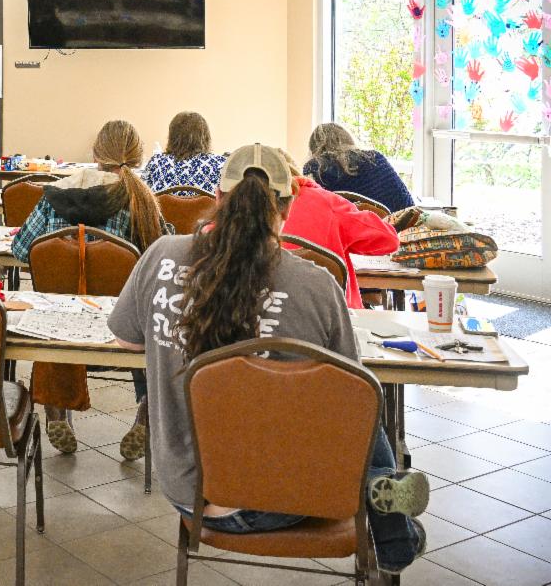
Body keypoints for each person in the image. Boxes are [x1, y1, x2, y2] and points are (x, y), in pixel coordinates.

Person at [107, 143, 427, 575]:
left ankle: (379, 498)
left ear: (217, 197)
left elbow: (127, 341)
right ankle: (387, 519)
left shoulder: (161, 255)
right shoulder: (315, 285)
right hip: (287, 498)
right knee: (364, 400)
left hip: (191, 490)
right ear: (288, 208)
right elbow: (350, 391)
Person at [11, 120, 171, 460]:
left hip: (59, 324)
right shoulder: (138, 200)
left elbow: (23, 249)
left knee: (50, 304)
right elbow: (161, 254)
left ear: (96, 154)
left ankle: (55, 409)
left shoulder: (56, 196)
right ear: (138, 157)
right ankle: (145, 411)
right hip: (122, 325)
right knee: (152, 318)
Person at [282, 151, 400, 309]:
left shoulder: (242, 209)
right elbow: (390, 241)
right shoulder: (328, 202)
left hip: (263, 320)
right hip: (337, 313)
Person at [304, 123, 416, 213]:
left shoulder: (314, 168)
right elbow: (408, 205)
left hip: (343, 237)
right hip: (390, 233)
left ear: (314, 147)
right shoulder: (375, 158)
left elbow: (313, 212)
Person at [142, 111, 227, 194]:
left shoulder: (156, 162)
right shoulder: (221, 164)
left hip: (166, 208)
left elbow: (143, 195)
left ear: (172, 137)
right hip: (207, 208)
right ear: (205, 137)